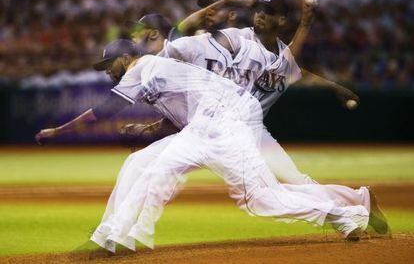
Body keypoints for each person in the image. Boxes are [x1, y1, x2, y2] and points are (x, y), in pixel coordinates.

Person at [36, 40, 376, 253]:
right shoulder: (155, 73)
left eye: (108, 65)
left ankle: (348, 215)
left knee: (262, 201)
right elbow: (177, 119)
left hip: (228, 123)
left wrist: (60, 131)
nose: (107, 71)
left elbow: (107, 109)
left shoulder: (143, 66)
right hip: (203, 126)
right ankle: (111, 238)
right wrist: (149, 130)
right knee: (146, 167)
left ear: (126, 58)